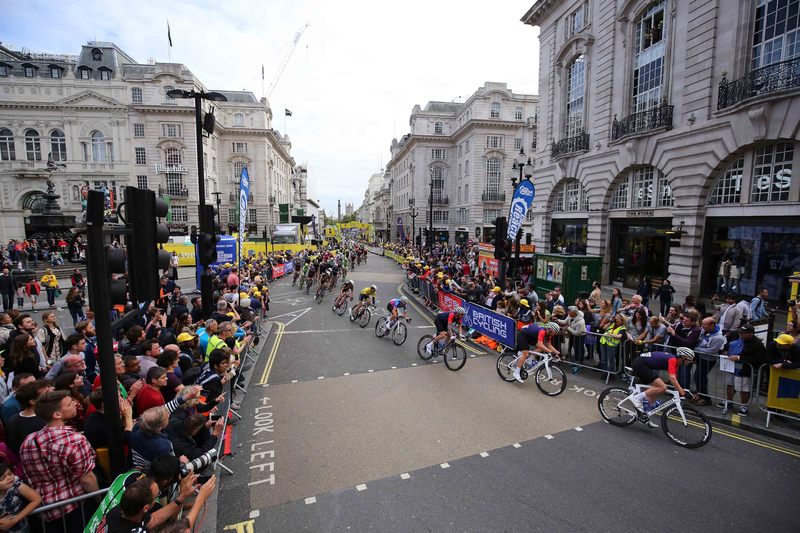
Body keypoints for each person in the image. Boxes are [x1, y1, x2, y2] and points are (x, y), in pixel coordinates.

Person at [20, 390, 99, 530]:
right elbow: (87, 478)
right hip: (74, 507)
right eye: (70, 403)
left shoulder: (29, 440)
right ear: (57, 414)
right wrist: (99, 500)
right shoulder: (74, 440)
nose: (75, 403)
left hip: (44, 511)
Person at [104, 473, 215, 532]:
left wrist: (181, 497)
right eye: (157, 495)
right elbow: (183, 529)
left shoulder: (123, 510)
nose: (159, 495)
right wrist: (201, 498)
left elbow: (153, 520)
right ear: (146, 508)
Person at [630, 348, 696, 414]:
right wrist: (683, 393)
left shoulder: (676, 364)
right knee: (662, 387)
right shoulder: (672, 360)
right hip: (640, 364)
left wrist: (682, 390)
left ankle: (646, 410)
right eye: (689, 360)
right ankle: (636, 398)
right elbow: (672, 378)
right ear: (683, 357)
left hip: (644, 365)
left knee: (661, 390)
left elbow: (674, 379)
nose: (689, 363)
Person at [720, 324, 765, 416]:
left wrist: (739, 357)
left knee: (744, 389)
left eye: (744, 333)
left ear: (751, 334)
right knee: (730, 385)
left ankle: (744, 406)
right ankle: (729, 402)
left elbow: (758, 359)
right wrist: (725, 350)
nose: (741, 334)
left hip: (745, 370)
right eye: (741, 332)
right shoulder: (738, 336)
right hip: (731, 366)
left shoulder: (757, 344)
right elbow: (727, 345)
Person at [4, 379, 51, 455]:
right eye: (47, 393)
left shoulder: (14, 418)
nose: (52, 394)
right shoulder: (41, 422)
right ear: (33, 401)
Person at [0, 462, 42, 533]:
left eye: (10, 473)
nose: (9, 478)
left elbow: (37, 499)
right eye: (3, 478)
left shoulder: (16, 484)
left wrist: (14, 520)